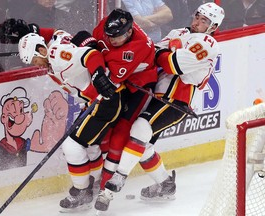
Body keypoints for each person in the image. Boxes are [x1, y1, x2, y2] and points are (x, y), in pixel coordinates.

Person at [100, 2, 225, 212]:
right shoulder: (179, 32)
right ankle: (165, 183)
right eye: (197, 16)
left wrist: (168, 53)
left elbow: (175, 65)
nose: (197, 22)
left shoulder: (208, 43)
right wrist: (168, 53)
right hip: (156, 96)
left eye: (204, 21)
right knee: (143, 145)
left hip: (177, 101)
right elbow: (154, 52)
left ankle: (117, 179)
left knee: (140, 128)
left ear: (212, 27)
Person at [18, 30, 124, 210]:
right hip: (98, 101)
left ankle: (82, 191)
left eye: (36, 61)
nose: (38, 66)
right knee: (90, 146)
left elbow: (91, 55)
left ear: (41, 50)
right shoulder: (52, 61)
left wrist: (99, 76)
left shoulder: (56, 54)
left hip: (105, 100)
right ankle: (95, 183)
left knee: (72, 145)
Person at [91, 8, 158, 211]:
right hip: (120, 82)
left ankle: (106, 189)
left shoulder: (139, 46)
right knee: (104, 128)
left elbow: (111, 78)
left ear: (129, 32)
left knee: (121, 130)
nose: (111, 40)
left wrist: (99, 67)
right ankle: (103, 174)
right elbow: (93, 46)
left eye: (117, 37)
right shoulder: (108, 25)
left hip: (138, 87)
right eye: (109, 36)